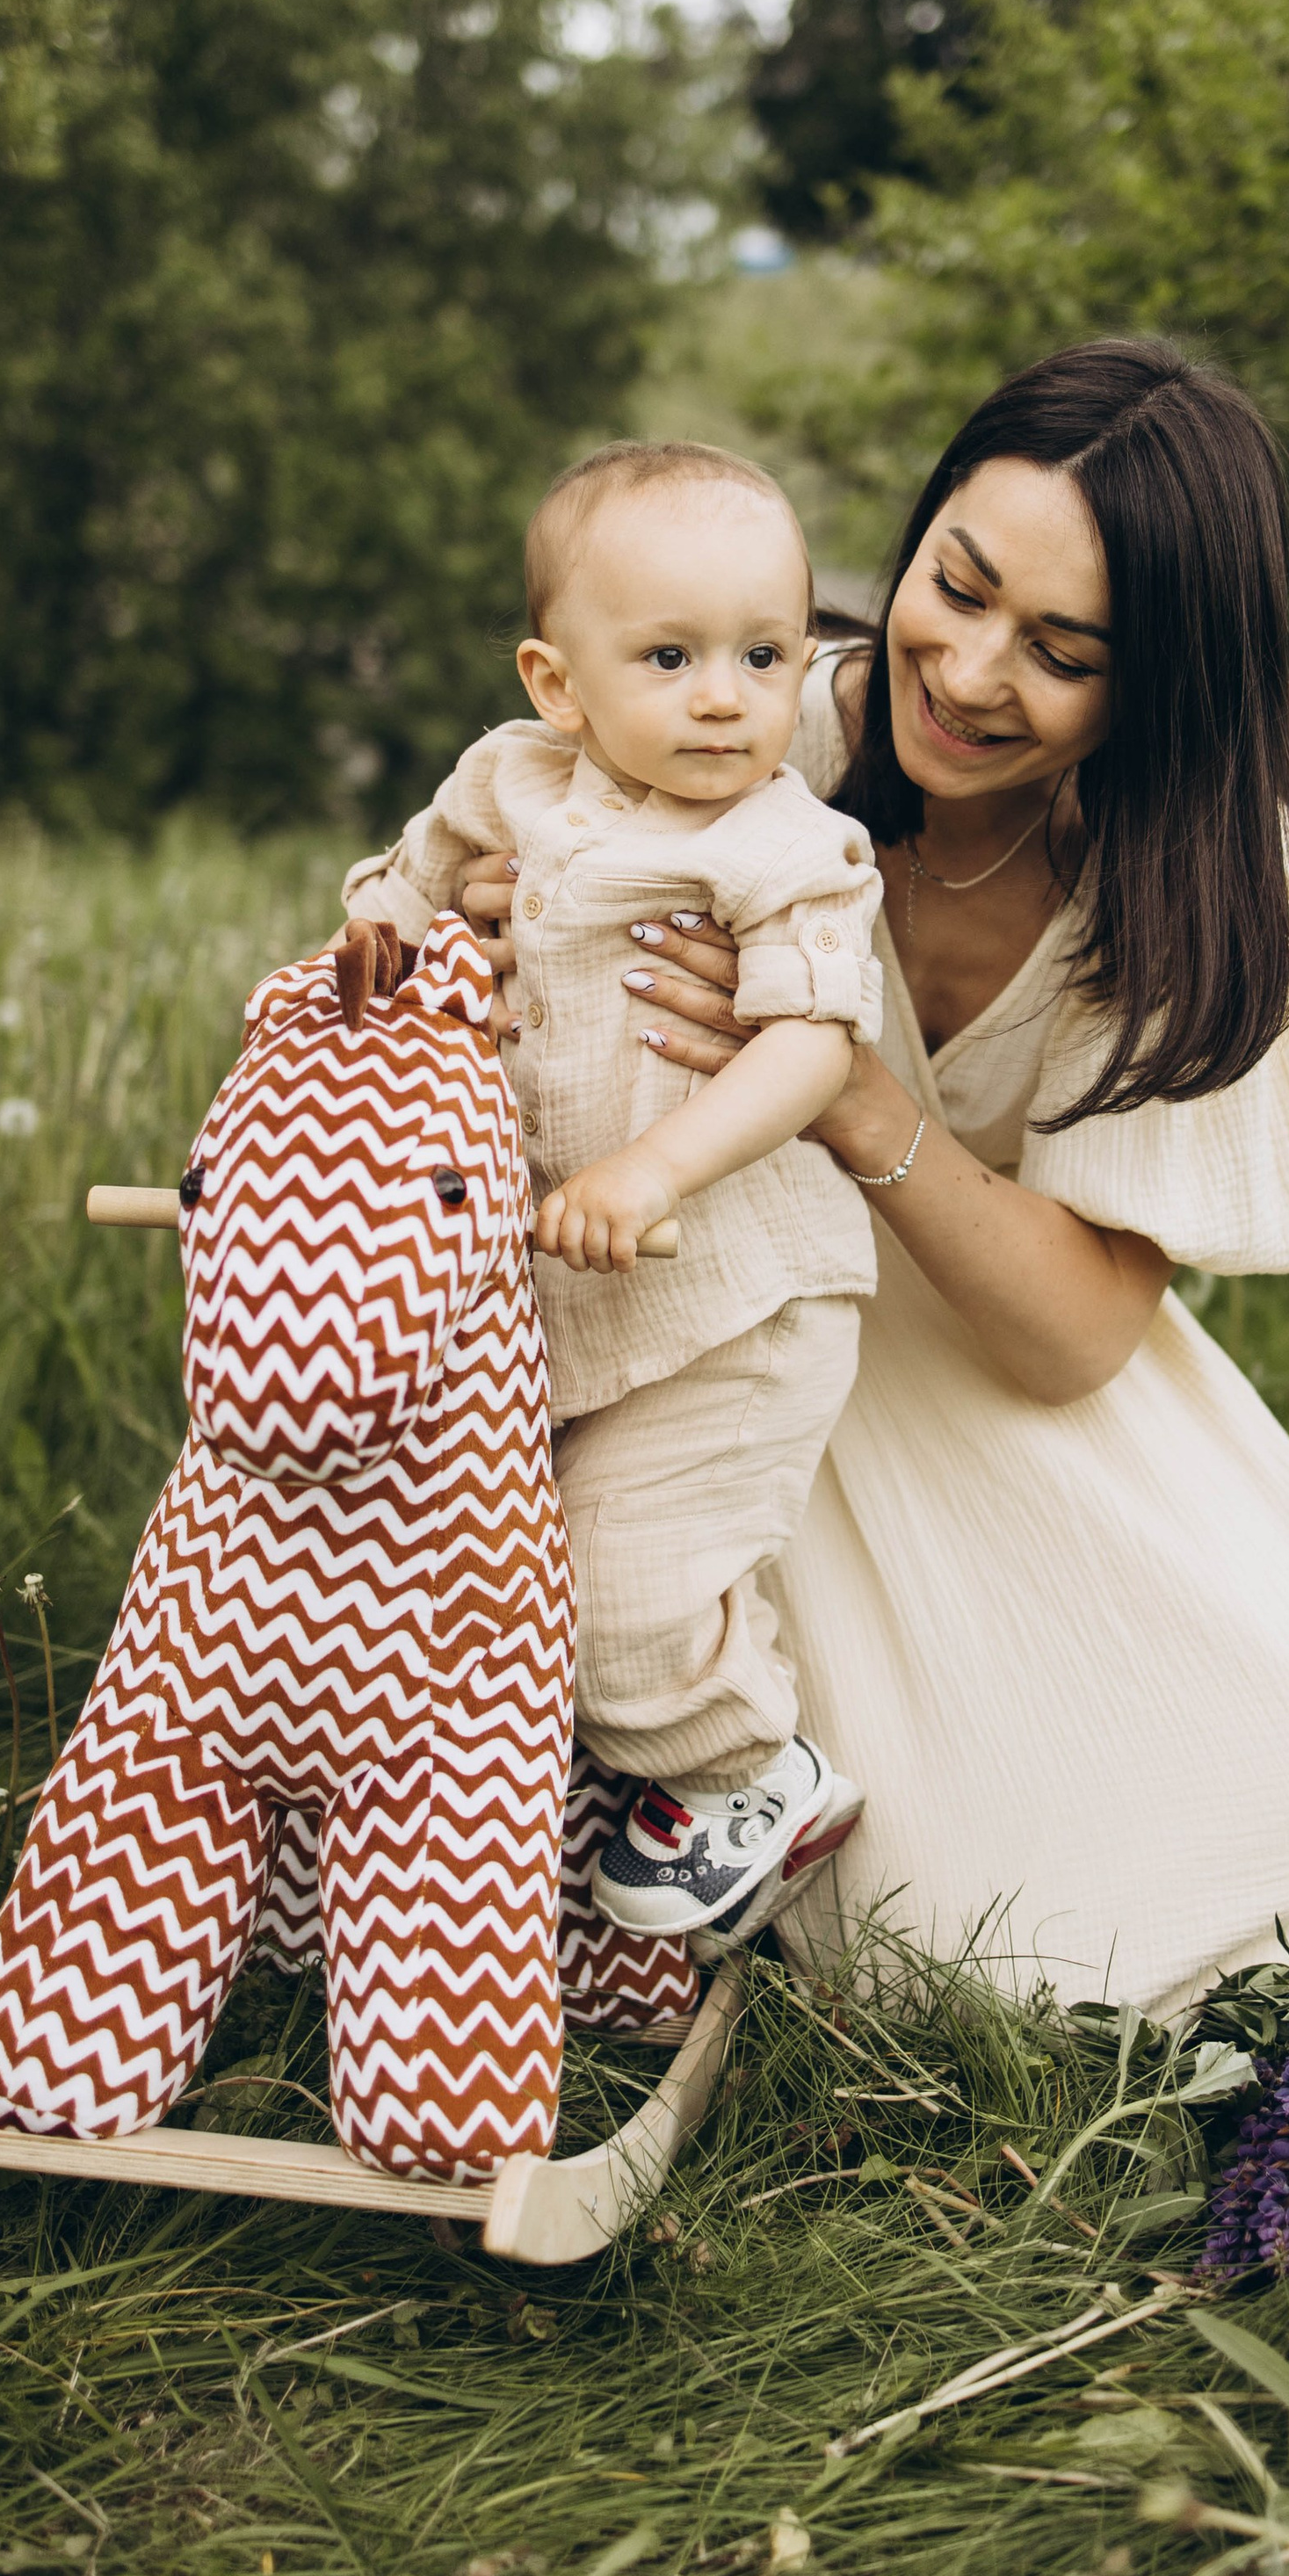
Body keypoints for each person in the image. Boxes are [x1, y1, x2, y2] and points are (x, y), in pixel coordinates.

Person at [463, 342, 1289, 2019]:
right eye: (957, 582)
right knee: (930, 1931)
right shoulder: (750, 717)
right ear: (923, 524)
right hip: (700, 1299)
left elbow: (1074, 1338)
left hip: (989, 1337)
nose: (969, 669)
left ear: (1163, 686)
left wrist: (850, 1092)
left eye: (1065, 653)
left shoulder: (1208, 881)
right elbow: (496, 856)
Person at [339, 440, 880, 1954]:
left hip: (737, 1292)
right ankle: (524, 1844)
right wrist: (381, 936)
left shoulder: (787, 842)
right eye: (671, 656)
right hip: (559, 1291)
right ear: (557, 683)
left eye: (765, 655)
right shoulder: (507, 780)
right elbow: (404, 883)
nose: (727, 696)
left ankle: (755, 1772)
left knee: (619, 1588)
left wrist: (655, 1163)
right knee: (503, 1566)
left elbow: (814, 1045)